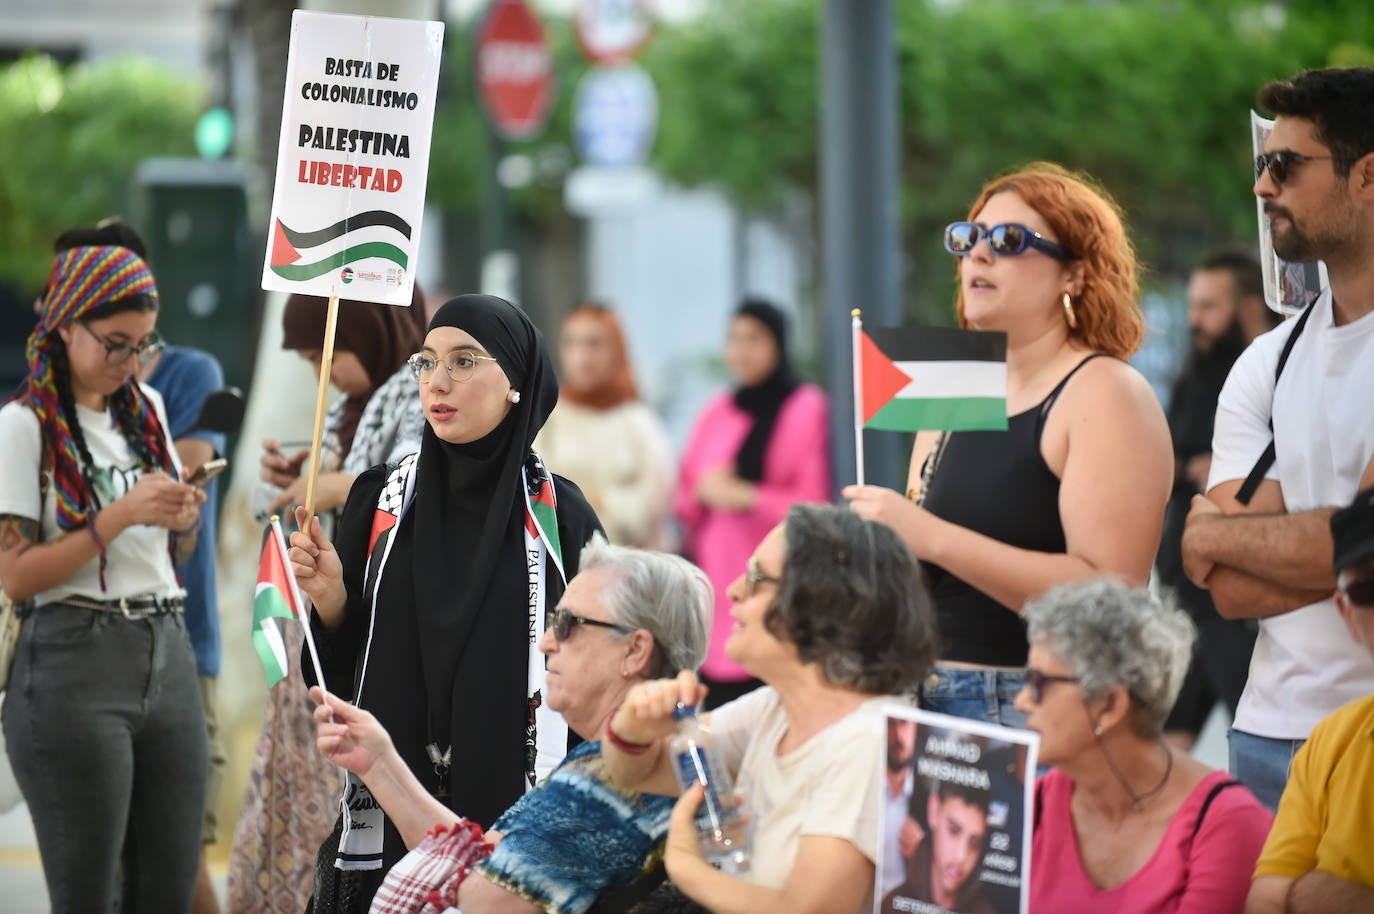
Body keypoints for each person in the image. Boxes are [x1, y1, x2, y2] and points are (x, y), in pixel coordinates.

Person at [288, 294, 603, 912]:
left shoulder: (560, 519)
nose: (438, 381)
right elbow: (334, 672)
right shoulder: (378, 502)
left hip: (514, 828)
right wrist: (329, 599)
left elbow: (601, 675)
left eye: (464, 362)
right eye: (427, 362)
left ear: (517, 384)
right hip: (388, 822)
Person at [846, 162, 1172, 728]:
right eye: (967, 238)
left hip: (1033, 706)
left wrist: (935, 538)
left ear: (1074, 274)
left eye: (1009, 240)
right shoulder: (956, 383)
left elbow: (1110, 598)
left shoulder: (1105, 391)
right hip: (919, 698)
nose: (978, 254)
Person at [309, 538, 711, 914]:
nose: (546, 642)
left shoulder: (621, 769)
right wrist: (379, 763)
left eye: (569, 624)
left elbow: (486, 898)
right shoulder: (650, 749)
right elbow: (487, 856)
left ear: (635, 650)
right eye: (552, 620)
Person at [1181, 66, 1374, 812]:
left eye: (1285, 166)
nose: (1263, 187)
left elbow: (1223, 546)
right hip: (1264, 735)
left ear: (1366, 177)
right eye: (1265, 164)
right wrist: (1338, 536)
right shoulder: (1267, 358)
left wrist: (1228, 535)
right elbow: (1221, 586)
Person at [0, 245, 209, 913]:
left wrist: (182, 517)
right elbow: (16, 575)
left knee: (167, 891)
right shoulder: (22, 425)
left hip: (165, 646)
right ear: (65, 324)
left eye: (144, 345)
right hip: (71, 657)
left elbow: (171, 555)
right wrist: (119, 515)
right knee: (87, 894)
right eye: (115, 344)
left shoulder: (145, 407)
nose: (130, 362)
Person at [603, 503, 938, 914]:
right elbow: (642, 770)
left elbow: (806, 910)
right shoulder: (777, 708)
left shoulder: (868, 739)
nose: (734, 590)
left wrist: (688, 868)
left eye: (757, 577)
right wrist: (633, 727)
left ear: (823, 604)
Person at [228, 286, 428, 914]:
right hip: (331, 623)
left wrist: (331, 480)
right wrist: (302, 473)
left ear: (372, 331)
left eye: (328, 355)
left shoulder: (417, 395)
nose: (323, 376)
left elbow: (404, 486)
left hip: (378, 635)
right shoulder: (356, 408)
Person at [1019, 579, 1273, 914]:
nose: (1022, 700)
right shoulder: (1033, 804)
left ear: (1110, 704)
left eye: (1039, 684)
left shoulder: (1227, 824)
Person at [674, 298, 832, 708]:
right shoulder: (718, 411)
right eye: (734, 339)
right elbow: (684, 495)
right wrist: (704, 493)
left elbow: (814, 505)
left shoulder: (805, 406)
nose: (741, 350)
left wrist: (745, 496)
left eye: (754, 339)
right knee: (720, 717)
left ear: (778, 344)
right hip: (717, 590)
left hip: (777, 585)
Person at [1158, 250, 1280, 753]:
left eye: (1210, 307)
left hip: (1235, 600)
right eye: (1193, 306)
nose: (1195, 321)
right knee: (1163, 747)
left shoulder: (1268, 373)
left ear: (1250, 309)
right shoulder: (1196, 374)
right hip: (1185, 597)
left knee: (1259, 743)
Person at [1244, 487, 1374, 912]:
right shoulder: (1332, 739)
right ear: (1347, 613)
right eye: (1368, 589)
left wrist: (1318, 894)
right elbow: (1263, 902)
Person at [259, 284, 429, 516]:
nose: (321, 377)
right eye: (311, 362)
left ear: (368, 336)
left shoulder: (429, 398)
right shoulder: (345, 414)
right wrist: (300, 487)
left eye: (327, 357)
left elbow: (425, 496)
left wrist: (343, 489)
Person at [535, 303, 675, 549]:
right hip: (564, 559)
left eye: (594, 343)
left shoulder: (638, 421)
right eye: (571, 343)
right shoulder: (548, 417)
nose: (582, 356)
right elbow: (536, 491)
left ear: (616, 349)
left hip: (631, 564)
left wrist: (600, 501)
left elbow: (655, 502)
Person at [882, 780, 996, 914]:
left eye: (974, 843)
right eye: (953, 830)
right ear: (934, 811)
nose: (961, 855)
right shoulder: (893, 905)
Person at [879, 718, 918, 900]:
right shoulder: (863, 784)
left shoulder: (927, 799)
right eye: (891, 724)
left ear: (916, 727)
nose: (898, 735)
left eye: (904, 723)